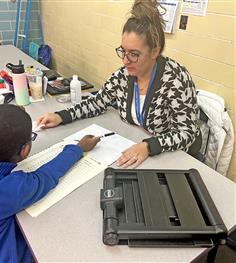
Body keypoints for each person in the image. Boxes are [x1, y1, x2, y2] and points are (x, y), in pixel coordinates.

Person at [37, 0, 201, 167]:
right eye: (123, 51)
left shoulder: (175, 79)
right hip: (137, 146)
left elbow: (187, 133)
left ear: (155, 51)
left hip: (174, 157)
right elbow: (97, 102)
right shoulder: (124, 75)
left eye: (134, 54)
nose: (125, 60)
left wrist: (148, 146)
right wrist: (61, 116)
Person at [0, 104, 99, 263]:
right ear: (24, 150)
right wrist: (78, 148)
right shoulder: (9, 189)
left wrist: (12, 116)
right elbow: (46, 176)